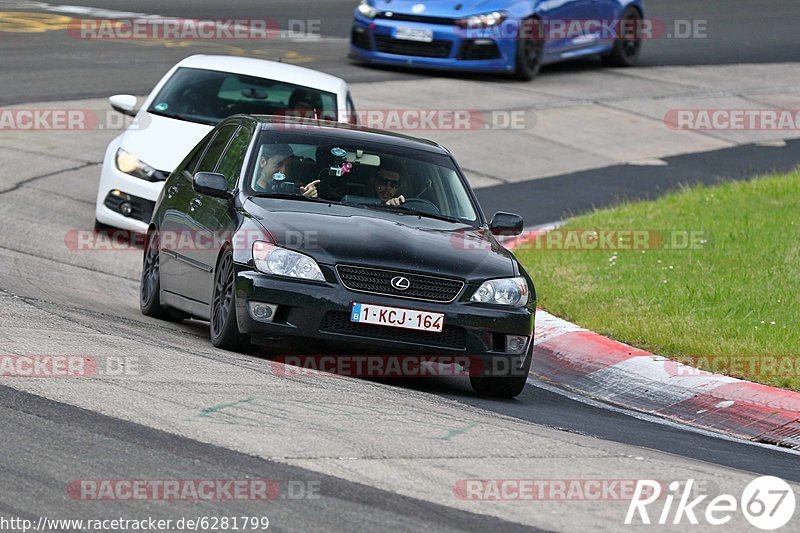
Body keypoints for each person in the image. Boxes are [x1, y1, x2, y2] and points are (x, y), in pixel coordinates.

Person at [254, 144, 319, 198]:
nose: (283, 171)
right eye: (278, 164)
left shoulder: (294, 192)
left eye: (287, 166)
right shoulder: (251, 192)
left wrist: (309, 195)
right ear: (262, 162)